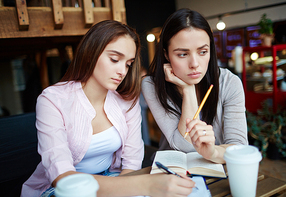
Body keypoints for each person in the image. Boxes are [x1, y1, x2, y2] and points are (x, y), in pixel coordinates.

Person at [21, 20, 195, 197]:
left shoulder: (126, 100)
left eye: (128, 64)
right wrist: (144, 186)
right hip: (60, 190)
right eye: (114, 59)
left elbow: (131, 165)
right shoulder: (52, 99)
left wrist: (135, 188)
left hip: (113, 177)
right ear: (90, 53)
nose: (122, 71)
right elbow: (63, 178)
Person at [142, 8, 248, 164]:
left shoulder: (229, 83)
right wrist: (188, 90)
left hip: (216, 169)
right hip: (171, 171)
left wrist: (212, 152)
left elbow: (239, 149)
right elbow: (184, 145)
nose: (195, 64)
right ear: (166, 54)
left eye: (203, 52)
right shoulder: (152, 85)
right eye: (183, 54)